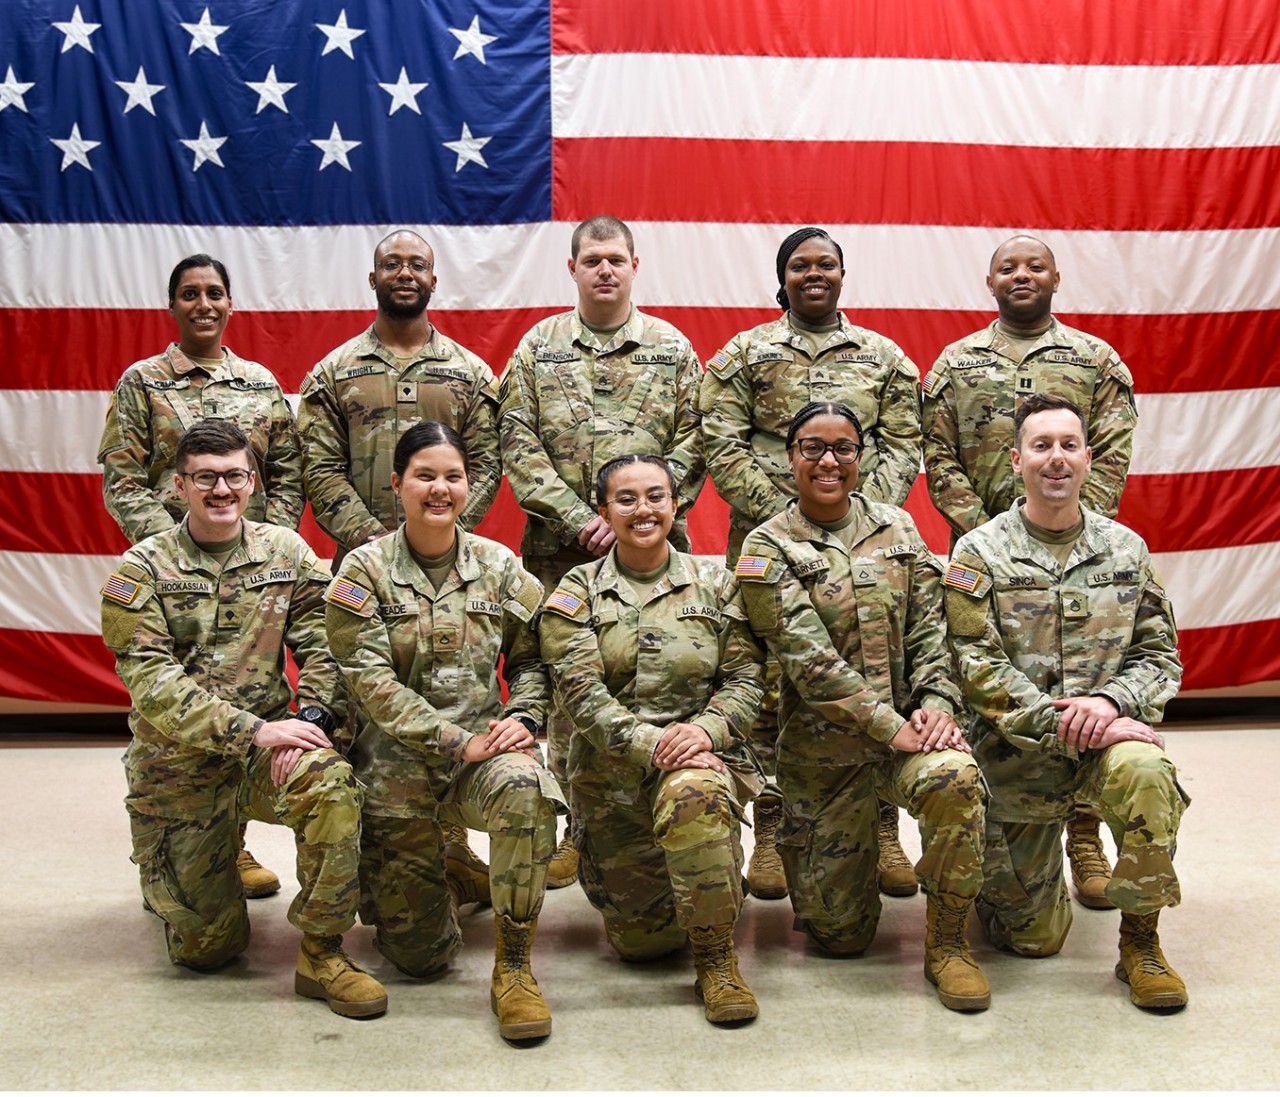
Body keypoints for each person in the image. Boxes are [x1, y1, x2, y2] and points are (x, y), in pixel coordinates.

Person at [100, 420, 385, 1019]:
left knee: (330, 781)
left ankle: (322, 949)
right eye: (205, 478)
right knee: (209, 950)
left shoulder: (286, 551)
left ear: (252, 482)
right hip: (178, 766)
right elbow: (153, 685)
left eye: (233, 476)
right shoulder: (140, 570)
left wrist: (307, 717)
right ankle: (193, 858)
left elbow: (326, 644)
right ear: (179, 486)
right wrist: (252, 729)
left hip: (269, 750)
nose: (221, 489)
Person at [735, 402, 989, 1012]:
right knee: (839, 937)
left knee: (956, 778)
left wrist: (935, 703)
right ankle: (853, 859)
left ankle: (949, 945)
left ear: (861, 456)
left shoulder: (899, 529)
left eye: (844, 448)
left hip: (911, 740)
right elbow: (809, 662)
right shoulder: (766, 546)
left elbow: (934, 631)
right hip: (826, 760)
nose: (829, 460)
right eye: (812, 447)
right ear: (788, 457)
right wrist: (891, 726)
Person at [698, 227, 924, 902]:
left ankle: (883, 821)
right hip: (768, 544)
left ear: (844, 274)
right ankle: (769, 825)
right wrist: (792, 515)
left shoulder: (884, 358)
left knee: (875, 666)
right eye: (801, 265)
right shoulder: (745, 353)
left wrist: (850, 511)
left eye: (826, 263)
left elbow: (903, 441)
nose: (814, 273)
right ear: (784, 277)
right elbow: (720, 437)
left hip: (867, 545)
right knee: (766, 680)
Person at [945, 393, 1188, 1011]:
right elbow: (976, 666)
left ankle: (1141, 945)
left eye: (1068, 445)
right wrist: (1075, 726)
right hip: (1015, 762)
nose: (1056, 459)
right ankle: (1011, 874)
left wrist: (1110, 703)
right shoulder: (979, 552)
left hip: (1101, 750)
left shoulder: (1125, 548)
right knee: (1032, 942)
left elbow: (1160, 655)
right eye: (1041, 445)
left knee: (1149, 769)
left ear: (1088, 457)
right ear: (1016, 458)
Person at [324, 421, 564, 1041]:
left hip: (483, 755)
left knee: (528, 789)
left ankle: (513, 966)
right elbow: (369, 681)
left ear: (467, 486)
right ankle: (449, 873)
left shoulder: (499, 565)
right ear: (397, 483)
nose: (440, 489)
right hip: (395, 768)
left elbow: (535, 659)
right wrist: (456, 739)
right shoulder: (363, 570)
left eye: (452, 476)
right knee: (420, 959)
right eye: (425, 476)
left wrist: (523, 718)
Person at [922, 235, 1139, 910]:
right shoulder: (957, 363)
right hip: (990, 565)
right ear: (989, 280)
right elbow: (940, 455)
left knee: (1083, 682)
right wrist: (997, 532)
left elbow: (1110, 455)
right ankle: (1003, 819)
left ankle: (1083, 830)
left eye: (1034, 265)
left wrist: (1060, 519)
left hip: (1074, 555)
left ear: (1056, 277)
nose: (1022, 274)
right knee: (993, 689)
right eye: (1008, 266)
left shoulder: (1095, 361)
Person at [498, 214, 706, 888]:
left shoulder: (672, 348)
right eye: (592, 259)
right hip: (563, 552)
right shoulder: (539, 346)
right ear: (573, 268)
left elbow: (696, 443)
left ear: (635, 266)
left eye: (616, 258)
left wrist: (642, 513)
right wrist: (581, 517)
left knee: (654, 670)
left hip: (654, 551)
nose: (605, 270)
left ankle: (654, 803)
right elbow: (518, 442)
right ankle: (572, 825)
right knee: (569, 687)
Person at [98, 253, 305, 900]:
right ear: (173, 305)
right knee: (180, 701)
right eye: (190, 293)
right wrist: (168, 551)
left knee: (253, 693)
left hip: (256, 574)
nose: (204, 304)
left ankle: (234, 836)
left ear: (231, 303)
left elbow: (287, 472)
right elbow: (123, 478)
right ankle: (212, 839)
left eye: (215, 292)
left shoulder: (259, 383)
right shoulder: (144, 382)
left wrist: (278, 541)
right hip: (178, 577)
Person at [298, 228, 502, 878]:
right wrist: (375, 539)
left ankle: (454, 848)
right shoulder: (334, 374)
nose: (405, 272)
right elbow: (318, 466)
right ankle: (376, 849)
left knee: (450, 696)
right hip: (363, 572)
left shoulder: (469, 373)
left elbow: (489, 462)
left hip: (451, 575)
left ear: (434, 280)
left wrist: (441, 531)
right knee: (368, 706)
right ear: (374, 277)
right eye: (393, 263)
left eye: (418, 263)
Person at [539, 454, 765, 1025]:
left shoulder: (716, 582)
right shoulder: (576, 591)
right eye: (627, 499)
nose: (643, 510)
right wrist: (650, 743)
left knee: (694, 797)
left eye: (656, 496)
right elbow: (579, 693)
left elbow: (746, 679)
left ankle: (718, 962)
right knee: (642, 945)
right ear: (604, 511)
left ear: (675, 503)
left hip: (698, 759)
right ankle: (700, 873)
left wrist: (705, 731)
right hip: (611, 779)